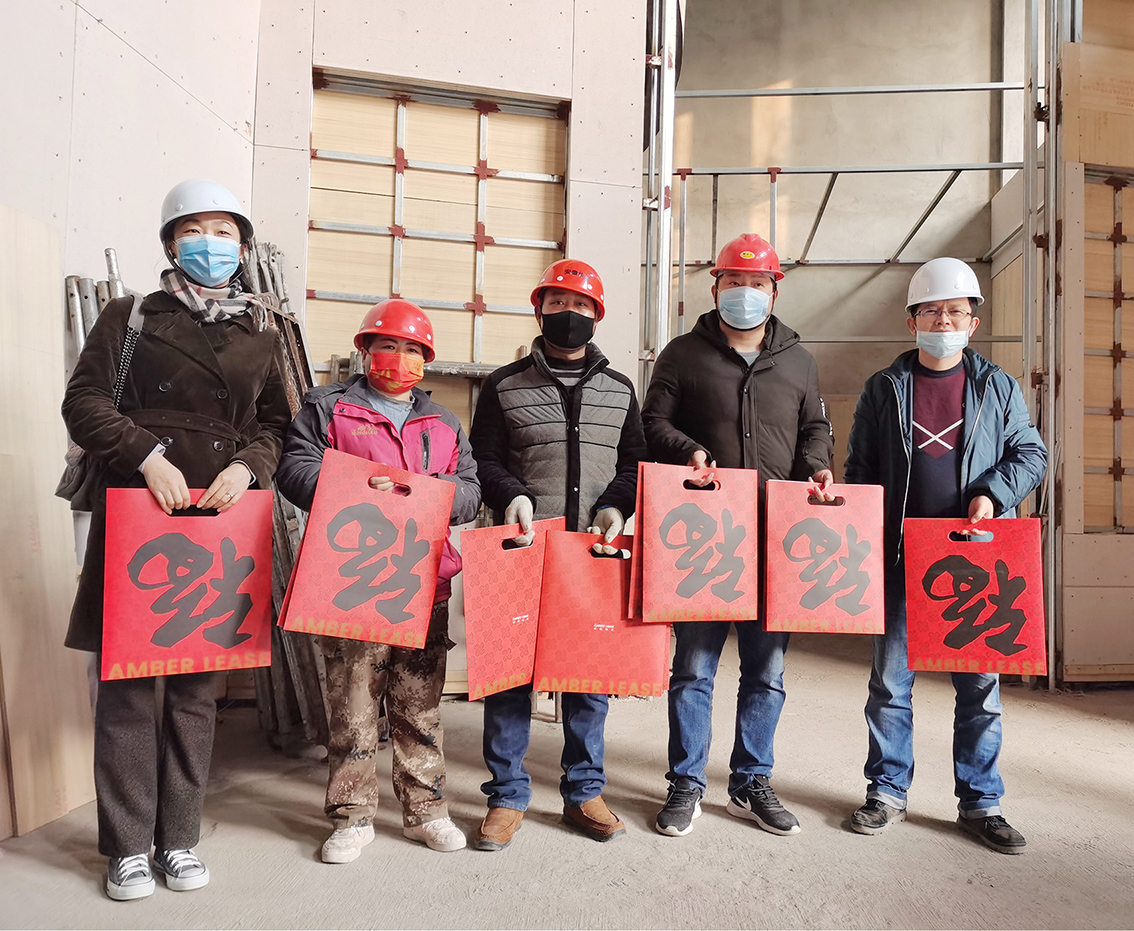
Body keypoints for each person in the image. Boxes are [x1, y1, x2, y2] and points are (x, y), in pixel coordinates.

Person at [61, 179, 292, 900]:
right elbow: (83, 402)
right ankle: (129, 846)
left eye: (224, 232)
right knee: (128, 687)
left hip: (218, 520)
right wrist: (145, 455)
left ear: (243, 248)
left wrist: (247, 469)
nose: (209, 244)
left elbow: (276, 426)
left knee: (196, 686)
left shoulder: (262, 332)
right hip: (139, 510)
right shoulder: (130, 315)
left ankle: (180, 837)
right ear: (169, 243)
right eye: (194, 230)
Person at [843, 256, 1047, 854]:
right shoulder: (884, 389)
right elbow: (861, 470)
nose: (944, 321)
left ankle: (981, 803)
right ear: (912, 322)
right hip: (902, 558)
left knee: (980, 689)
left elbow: (1031, 455)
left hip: (976, 564)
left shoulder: (997, 387)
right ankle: (886, 792)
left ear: (972, 323)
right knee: (890, 683)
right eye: (931, 311)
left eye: (955, 311)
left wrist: (992, 493)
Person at [641, 233, 834, 838]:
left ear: (774, 291)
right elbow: (653, 422)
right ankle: (686, 783)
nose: (744, 292)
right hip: (705, 536)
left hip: (775, 537)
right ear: (715, 287)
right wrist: (689, 451)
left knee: (766, 670)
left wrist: (817, 465)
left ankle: (751, 782)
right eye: (733, 282)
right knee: (693, 667)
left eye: (756, 284)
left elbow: (815, 428)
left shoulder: (799, 361)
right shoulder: (682, 354)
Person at [275, 299, 480, 862]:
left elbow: (470, 489)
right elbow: (294, 468)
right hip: (355, 579)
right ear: (365, 350)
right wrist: (361, 484)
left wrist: (430, 492)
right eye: (388, 345)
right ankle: (352, 816)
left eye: (413, 349)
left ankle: (426, 811)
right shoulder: (328, 408)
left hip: (423, 579)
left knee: (419, 703)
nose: (400, 357)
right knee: (353, 703)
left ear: (426, 359)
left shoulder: (443, 422)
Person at [468, 258, 647, 849]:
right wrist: (512, 494)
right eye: (558, 303)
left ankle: (584, 791)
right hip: (522, 549)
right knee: (510, 675)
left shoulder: (620, 390)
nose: (569, 314)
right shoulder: (504, 384)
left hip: (592, 553)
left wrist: (617, 505)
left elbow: (633, 463)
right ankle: (506, 795)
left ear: (597, 315)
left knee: (587, 674)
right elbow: (482, 460)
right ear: (539, 310)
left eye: (580, 305)